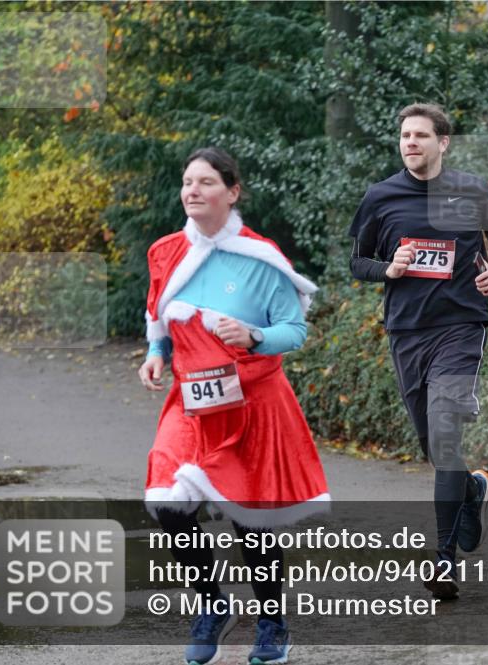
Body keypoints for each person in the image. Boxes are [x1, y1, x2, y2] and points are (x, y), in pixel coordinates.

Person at [138, 147, 329, 665]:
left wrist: (252, 334)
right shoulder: (165, 252)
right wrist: (156, 355)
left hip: (251, 402)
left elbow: (294, 330)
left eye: (205, 182)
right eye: (187, 182)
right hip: (192, 399)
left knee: (251, 520)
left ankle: (272, 623)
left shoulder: (259, 256)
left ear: (233, 191)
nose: (192, 191)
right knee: (167, 503)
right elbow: (158, 318)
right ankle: (211, 604)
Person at [348, 103, 488, 600]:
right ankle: (472, 491)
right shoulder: (382, 196)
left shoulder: (471, 189)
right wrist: (388, 270)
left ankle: (442, 560)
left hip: (461, 328)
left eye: (420, 135)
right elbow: (357, 261)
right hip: (407, 333)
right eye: (404, 135)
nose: (410, 142)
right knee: (434, 447)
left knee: (444, 435)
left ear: (443, 142)